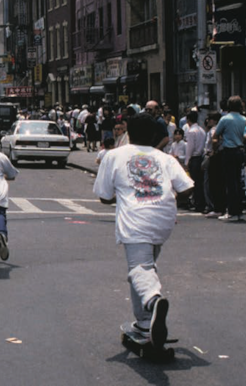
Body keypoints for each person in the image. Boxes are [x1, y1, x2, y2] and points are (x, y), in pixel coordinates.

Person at [93, 113, 194, 349]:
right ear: (154, 136)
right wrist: (169, 200)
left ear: (129, 132)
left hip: (136, 219)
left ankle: (153, 300)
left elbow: (104, 197)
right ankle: (145, 321)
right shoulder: (165, 158)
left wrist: (125, 191)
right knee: (146, 267)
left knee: (139, 268)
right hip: (164, 218)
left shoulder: (114, 155)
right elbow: (188, 187)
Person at [213, 96, 246, 222]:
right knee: (238, 181)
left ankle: (232, 211)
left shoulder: (225, 119)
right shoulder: (244, 119)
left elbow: (215, 135)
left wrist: (214, 148)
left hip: (229, 150)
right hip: (240, 150)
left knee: (229, 182)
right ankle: (239, 210)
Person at [183, 111, 206, 213]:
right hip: (201, 157)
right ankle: (201, 203)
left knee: (195, 183)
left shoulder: (191, 131)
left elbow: (189, 148)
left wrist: (186, 162)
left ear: (188, 120)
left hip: (194, 158)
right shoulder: (202, 130)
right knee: (200, 182)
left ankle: (198, 204)